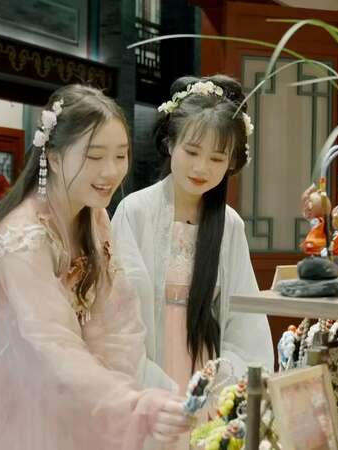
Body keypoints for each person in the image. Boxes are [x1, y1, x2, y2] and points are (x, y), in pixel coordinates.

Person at [0, 84, 190, 450]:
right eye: (94, 156)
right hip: (4, 380)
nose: (111, 171)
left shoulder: (94, 215)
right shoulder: (22, 235)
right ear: (55, 158)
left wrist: (123, 389)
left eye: (120, 155)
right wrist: (129, 405)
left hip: (65, 373)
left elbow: (117, 313)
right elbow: (52, 340)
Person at [111, 74, 274, 404]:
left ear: (231, 163)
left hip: (206, 383)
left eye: (217, 158)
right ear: (170, 143)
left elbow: (245, 322)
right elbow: (117, 312)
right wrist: (152, 385)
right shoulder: (135, 212)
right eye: (192, 151)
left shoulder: (229, 225)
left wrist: (220, 385)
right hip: (144, 374)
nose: (202, 168)